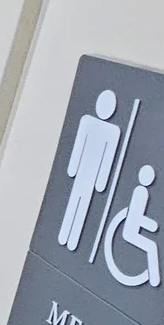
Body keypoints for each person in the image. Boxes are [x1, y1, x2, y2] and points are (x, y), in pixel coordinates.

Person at [60, 89, 121, 251]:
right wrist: (73, 169)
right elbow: (79, 148)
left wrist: (101, 182)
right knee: (75, 203)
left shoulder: (111, 131)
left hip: (89, 177)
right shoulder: (90, 123)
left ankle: (70, 239)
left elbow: (107, 157)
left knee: (81, 205)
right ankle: (66, 237)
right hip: (84, 173)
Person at [104, 163, 162, 289]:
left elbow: (135, 215)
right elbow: (135, 215)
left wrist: (150, 225)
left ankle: (153, 278)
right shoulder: (141, 193)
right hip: (131, 232)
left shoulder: (140, 191)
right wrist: (151, 226)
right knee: (151, 246)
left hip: (131, 230)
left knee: (151, 246)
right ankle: (154, 278)